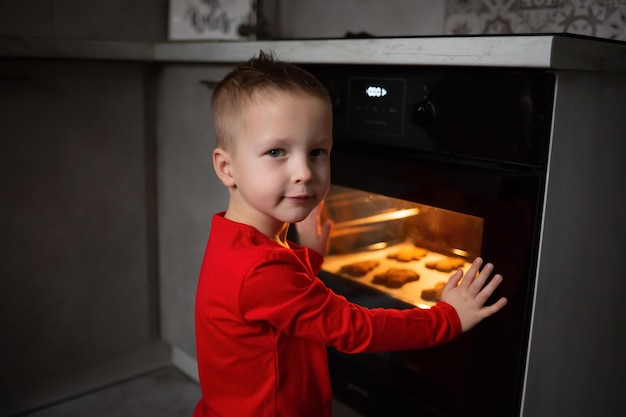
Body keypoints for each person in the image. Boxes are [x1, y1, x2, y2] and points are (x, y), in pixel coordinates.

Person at [193, 50, 508, 417]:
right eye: (276, 151)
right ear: (227, 168)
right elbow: (356, 330)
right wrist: (447, 318)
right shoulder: (262, 271)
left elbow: (280, 310)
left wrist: (307, 256)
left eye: (317, 151)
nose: (305, 172)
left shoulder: (234, 241)